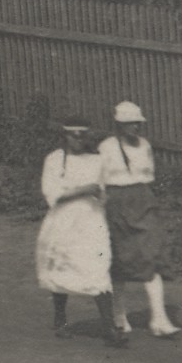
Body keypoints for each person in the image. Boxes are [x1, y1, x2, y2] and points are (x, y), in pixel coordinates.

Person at [37, 116, 126, 347]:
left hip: (91, 222)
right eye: (73, 135)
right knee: (61, 268)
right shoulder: (55, 160)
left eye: (83, 136)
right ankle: (60, 319)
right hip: (63, 222)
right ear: (65, 137)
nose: (78, 140)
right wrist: (84, 189)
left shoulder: (97, 161)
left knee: (99, 268)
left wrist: (102, 196)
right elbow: (52, 194)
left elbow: (104, 192)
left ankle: (109, 328)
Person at [98, 102, 180, 338]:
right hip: (116, 205)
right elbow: (100, 181)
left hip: (142, 202)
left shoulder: (144, 145)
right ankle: (119, 315)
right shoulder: (106, 147)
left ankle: (159, 319)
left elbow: (149, 175)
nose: (135, 127)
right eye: (129, 123)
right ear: (119, 125)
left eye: (137, 123)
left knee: (151, 256)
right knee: (119, 259)